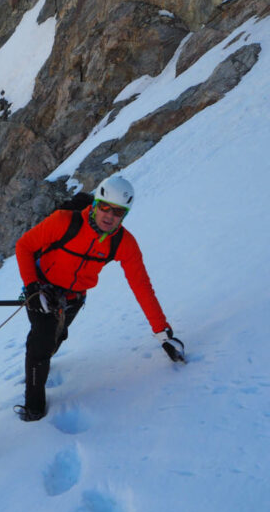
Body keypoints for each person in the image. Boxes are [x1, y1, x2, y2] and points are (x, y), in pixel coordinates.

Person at [13, 175, 185, 422]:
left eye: (118, 212)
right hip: (42, 289)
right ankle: (34, 409)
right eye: (105, 207)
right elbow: (24, 246)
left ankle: (45, 357)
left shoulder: (123, 243)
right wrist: (31, 288)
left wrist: (162, 333)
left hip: (73, 298)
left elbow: (142, 287)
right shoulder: (64, 222)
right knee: (40, 341)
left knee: (57, 336)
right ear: (95, 204)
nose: (109, 216)